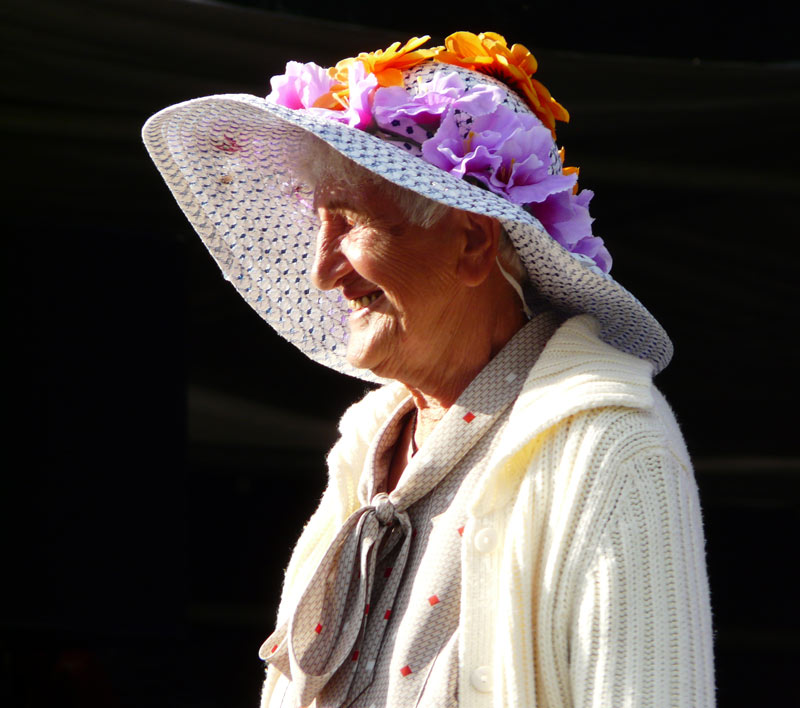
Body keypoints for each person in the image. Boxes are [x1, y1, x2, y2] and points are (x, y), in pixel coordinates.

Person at [143, 32, 714, 708]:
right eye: (318, 223)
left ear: (471, 243)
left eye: (352, 223)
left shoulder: (610, 449)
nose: (323, 270)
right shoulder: (370, 450)